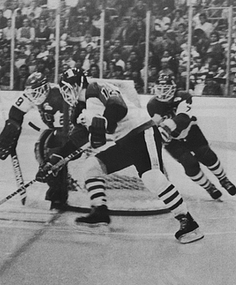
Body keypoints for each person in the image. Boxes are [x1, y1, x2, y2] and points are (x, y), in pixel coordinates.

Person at [39, 68, 205, 244]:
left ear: (80, 82)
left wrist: (103, 124)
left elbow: (117, 106)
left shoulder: (95, 87)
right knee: (92, 166)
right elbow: (77, 140)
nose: (68, 92)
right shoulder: (81, 109)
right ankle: (100, 211)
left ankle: (188, 222)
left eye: (70, 86)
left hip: (142, 134)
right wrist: (53, 162)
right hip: (124, 143)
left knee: (152, 178)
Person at [147, 73, 235, 200]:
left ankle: (223, 179)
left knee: (206, 155)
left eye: (166, 89)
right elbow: (156, 124)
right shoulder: (152, 104)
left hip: (190, 130)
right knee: (189, 163)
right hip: (172, 139)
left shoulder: (183, 96)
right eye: (160, 89)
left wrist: (166, 127)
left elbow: (183, 119)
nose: (163, 93)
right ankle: (209, 187)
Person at [0, 72, 71, 209]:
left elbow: (61, 135)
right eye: (31, 93)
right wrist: (11, 132)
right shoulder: (33, 95)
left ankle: (59, 190)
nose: (33, 97)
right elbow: (16, 112)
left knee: (51, 152)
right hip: (54, 129)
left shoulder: (59, 97)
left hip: (70, 131)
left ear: (45, 88)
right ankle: (56, 185)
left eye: (36, 92)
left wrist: (49, 163)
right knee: (40, 148)